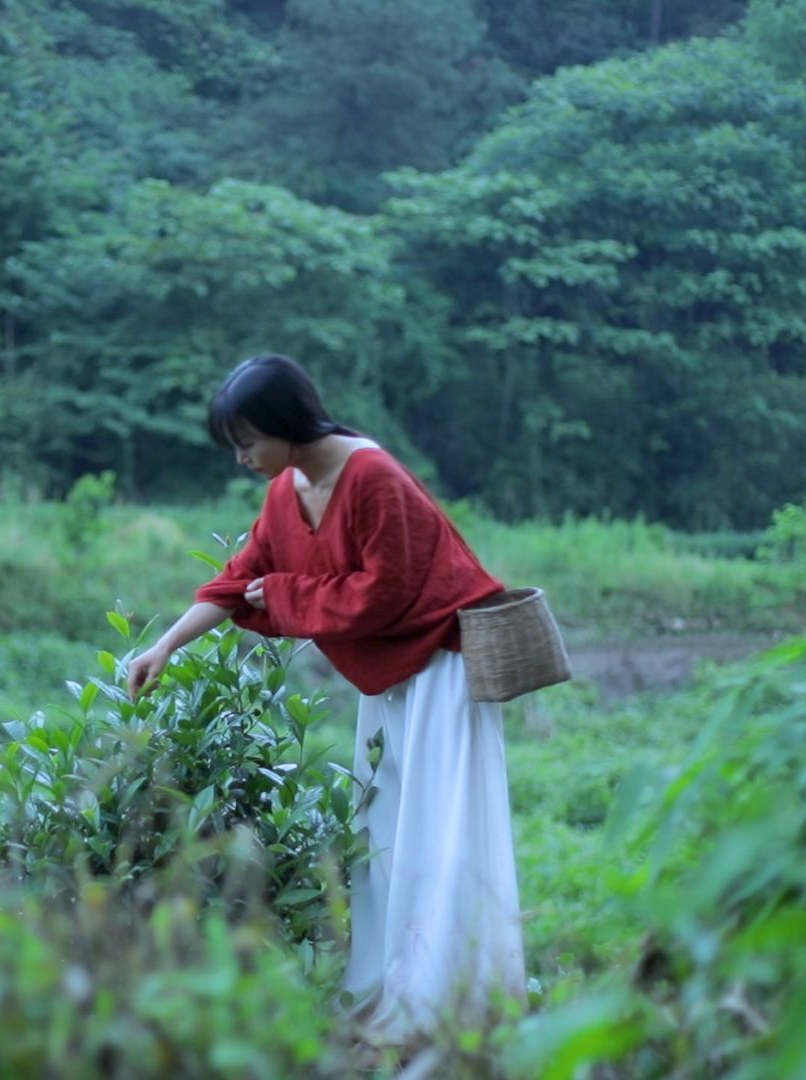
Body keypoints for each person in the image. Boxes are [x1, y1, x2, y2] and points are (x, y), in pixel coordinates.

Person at [126, 354, 527, 1047]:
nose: (243, 459)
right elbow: (241, 576)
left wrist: (284, 596)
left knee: (440, 831)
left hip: (442, 663)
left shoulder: (373, 477)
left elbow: (385, 593)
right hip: (388, 675)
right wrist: (165, 646)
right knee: (384, 833)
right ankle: (389, 989)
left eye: (247, 442)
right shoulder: (288, 491)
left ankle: (449, 1002)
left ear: (286, 425)